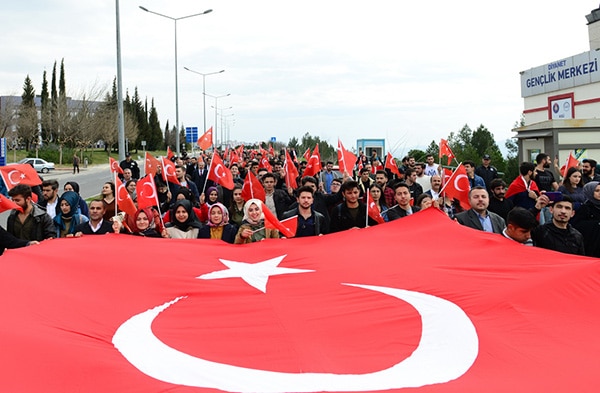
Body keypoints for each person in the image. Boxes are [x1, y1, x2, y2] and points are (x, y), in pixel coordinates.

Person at [571, 181, 600, 257]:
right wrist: (597, 224)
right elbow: (577, 225)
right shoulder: (585, 208)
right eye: (597, 191)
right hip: (591, 245)